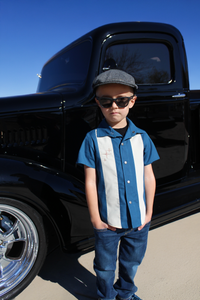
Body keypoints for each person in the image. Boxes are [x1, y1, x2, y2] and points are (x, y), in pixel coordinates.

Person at [77, 69, 160, 300]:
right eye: (106, 101)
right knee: (104, 267)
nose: (114, 106)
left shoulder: (142, 137)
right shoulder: (92, 139)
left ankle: (125, 293)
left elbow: (149, 177)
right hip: (107, 223)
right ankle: (106, 296)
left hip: (138, 222)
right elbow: (90, 181)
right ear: (98, 103)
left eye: (121, 100)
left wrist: (149, 213)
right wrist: (96, 219)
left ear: (132, 101)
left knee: (132, 263)